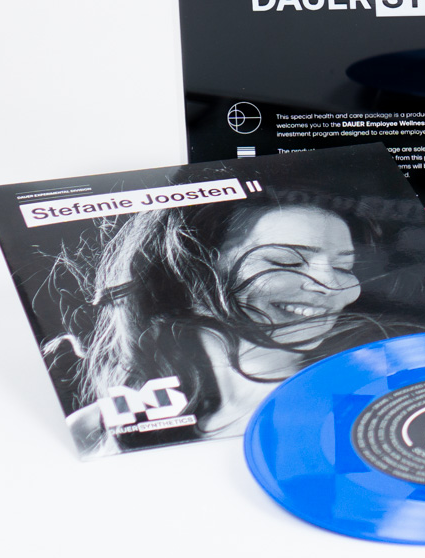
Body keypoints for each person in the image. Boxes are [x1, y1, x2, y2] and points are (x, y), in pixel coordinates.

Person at [52, 194, 403, 456]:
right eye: (286, 261)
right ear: (186, 271)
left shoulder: (363, 403)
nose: (334, 285)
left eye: (344, 266)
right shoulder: (94, 427)